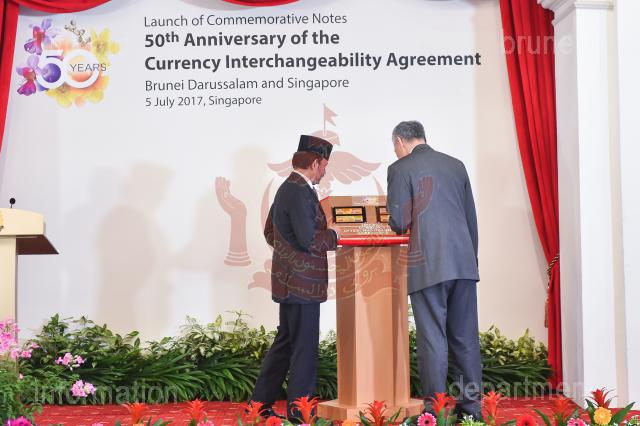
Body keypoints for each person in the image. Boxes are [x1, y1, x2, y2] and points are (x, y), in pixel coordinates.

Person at [386, 121, 482, 418]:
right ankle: (471, 411)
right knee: (465, 339)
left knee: (433, 340)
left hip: (428, 266)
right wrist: (471, 261)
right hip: (463, 264)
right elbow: (470, 219)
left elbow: (399, 222)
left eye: (394, 147)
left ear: (400, 142)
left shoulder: (400, 168)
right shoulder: (456, 165)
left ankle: (435, 412)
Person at [251, 134, 339, 421]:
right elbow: (308, 239)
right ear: (314, 163)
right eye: (324, 165)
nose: (324, 171)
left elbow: (270, 232)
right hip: (303, 285)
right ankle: (301, 414)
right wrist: (335, 235)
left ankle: (259, 404)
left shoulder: (287, 187)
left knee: (286, 343)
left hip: (290, 282)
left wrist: (288, 257)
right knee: (303, 348)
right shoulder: (300, 191)